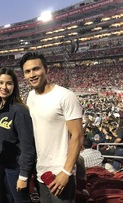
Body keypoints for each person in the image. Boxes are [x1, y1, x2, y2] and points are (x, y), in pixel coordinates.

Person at [20, 52, 84, 202]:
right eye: (27, 71)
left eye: (36, 69)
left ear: (46, 69)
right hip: (41, 172)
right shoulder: (30, 97)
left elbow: (78, 135)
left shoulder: (65, 96)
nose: (32, 74)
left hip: (60, 172)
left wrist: (66, 172)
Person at [0, 67, 36, 203]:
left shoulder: (19, 110)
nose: (4, 87)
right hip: (4, 166)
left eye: (9, 83)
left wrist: (23, 176)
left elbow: (28, 147)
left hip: (17, 169)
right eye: (0, 83)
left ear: (14, 86)